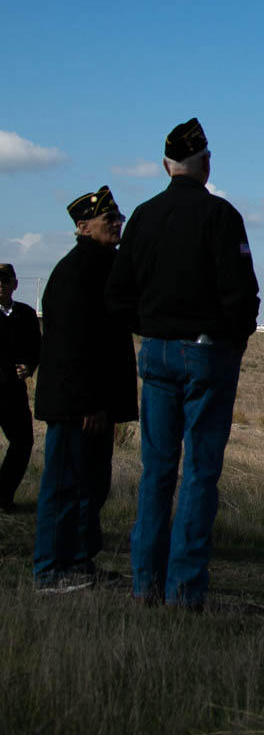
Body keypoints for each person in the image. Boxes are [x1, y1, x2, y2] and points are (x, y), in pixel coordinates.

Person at [106, 118, 260, 609]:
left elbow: (117, 294)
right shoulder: (221, 216)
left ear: (165, 166)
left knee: (156, 471)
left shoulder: (143, 217)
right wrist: (234, 339)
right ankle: (184, 590)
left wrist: (150, 327)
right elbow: (242, 294)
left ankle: (144, 584)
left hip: (156, 350)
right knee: (199, 471)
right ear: (206, 163)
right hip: (206, 351)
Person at [33, 186, 138, 589]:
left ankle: (78, 562)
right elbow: (71, 344)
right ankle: (50, 570)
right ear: (83, 227)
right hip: (76, 406)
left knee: (91, 487)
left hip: (95, 404)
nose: (117, 224)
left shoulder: (104, 266)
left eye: (118, 218)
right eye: (108, 219)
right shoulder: (77, 270)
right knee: (65, 486)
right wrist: (89, 402)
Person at [0, 262, 40, 512]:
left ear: (15, 284)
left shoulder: (25, 314)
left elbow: (36, 347)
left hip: (12, 391)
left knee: (23, 442)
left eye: (5, 280)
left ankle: (3, 496)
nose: (0, 285)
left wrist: (29, 366)